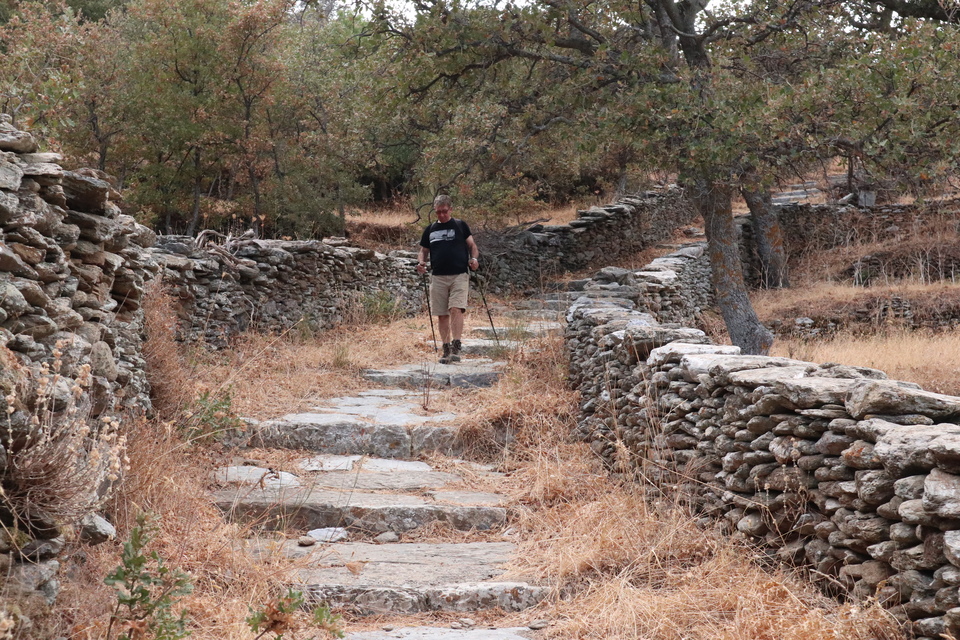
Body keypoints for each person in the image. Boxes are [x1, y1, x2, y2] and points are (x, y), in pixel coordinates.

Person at [416, 195, 479, 364]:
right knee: (442, 314)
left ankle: (456, 346)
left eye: (444, 211)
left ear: (450, 209)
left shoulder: (460, 225)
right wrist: (421, 262)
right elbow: (423, 250)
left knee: (456, 308)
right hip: (437, 276)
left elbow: (472, 246)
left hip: (459, 274)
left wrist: (474, 260)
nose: (442, 215)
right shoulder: (430, 229)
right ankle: (446, 349)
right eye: (438, 212)